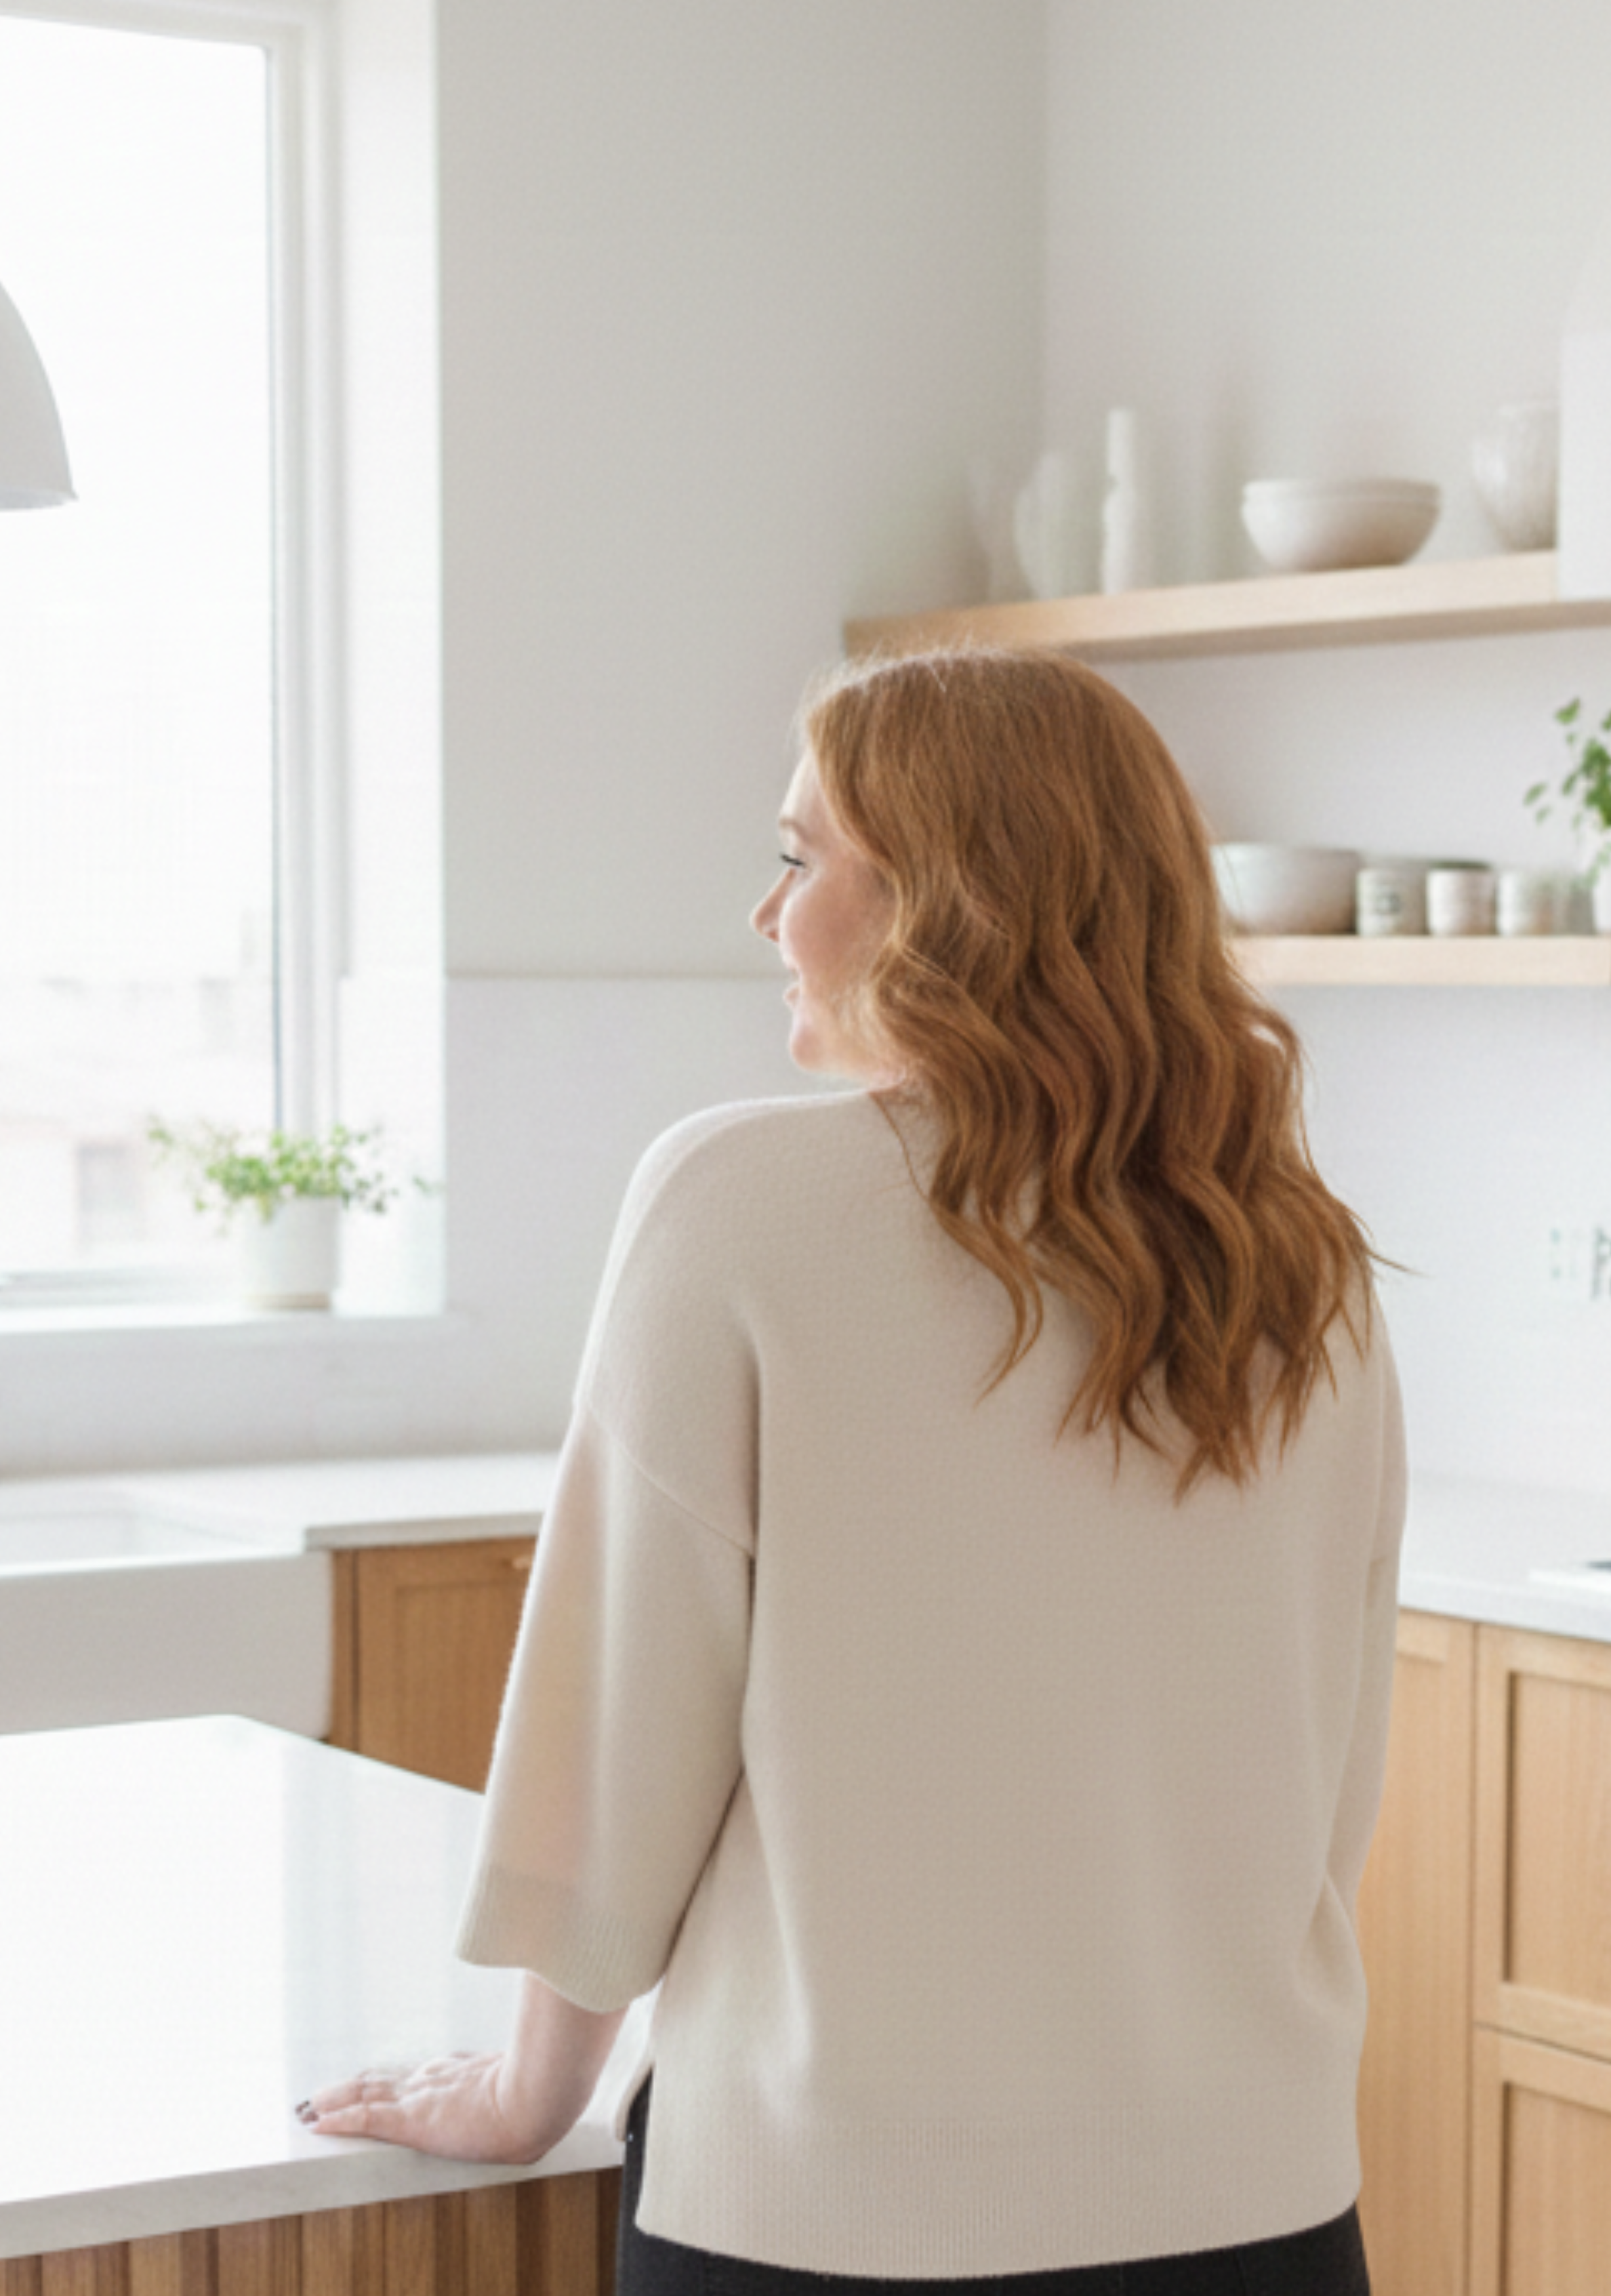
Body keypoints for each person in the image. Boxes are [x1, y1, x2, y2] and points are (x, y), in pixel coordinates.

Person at [300, 647, 1404, 2296]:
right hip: (1252, 2195)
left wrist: (536, 2087)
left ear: (948, 903)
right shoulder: (1299, 1260)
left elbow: (622, 1731)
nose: (766, 914)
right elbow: (1330, 1769)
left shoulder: (734, 1205)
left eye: (800, 857)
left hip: (834, 2215)